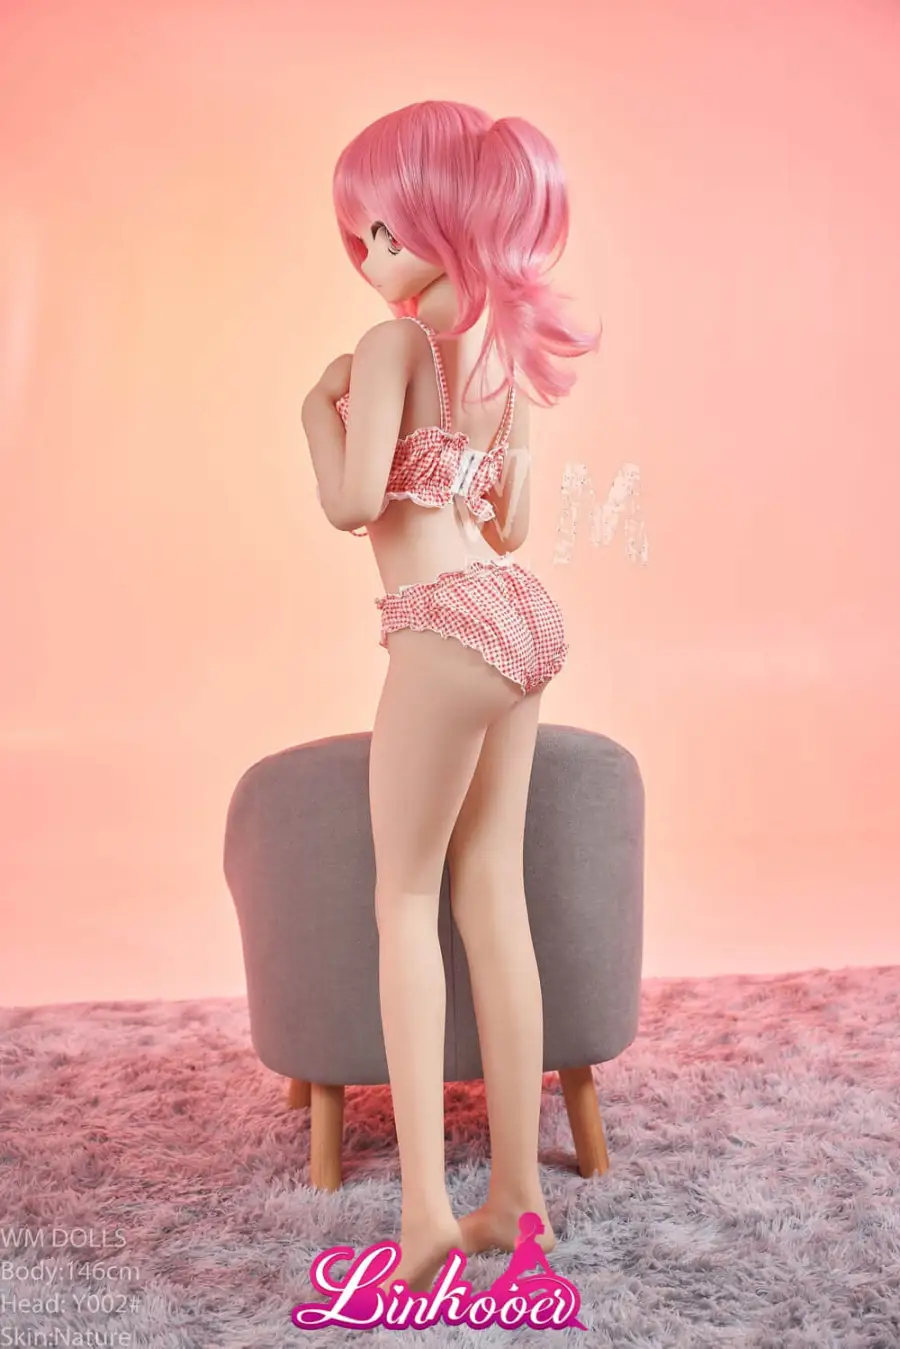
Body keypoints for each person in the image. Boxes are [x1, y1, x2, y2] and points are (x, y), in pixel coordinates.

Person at [301, 99, 600, 1293]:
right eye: (362, 236)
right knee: (493, 894)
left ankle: (428, 1208)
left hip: (442, 621)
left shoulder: (392, 349)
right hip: (520, 612)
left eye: (381, 230)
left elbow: (351, 502)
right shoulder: (499, 358)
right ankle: (519, 1193)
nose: (369, 255)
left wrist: (311, 413)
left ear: (437, 220)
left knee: (408, 897)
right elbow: (511, 523)